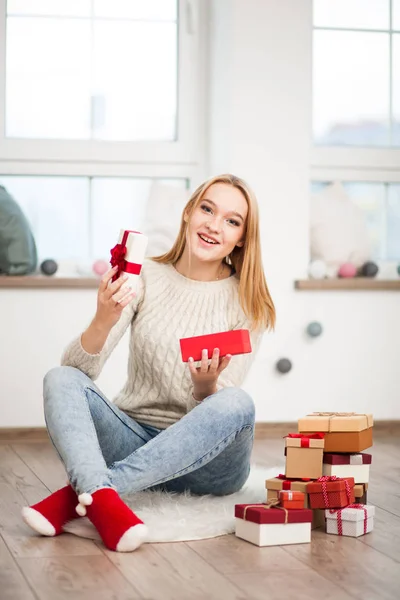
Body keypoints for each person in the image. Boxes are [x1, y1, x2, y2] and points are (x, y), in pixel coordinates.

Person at [22, 174, 276, 553]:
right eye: (207, 209)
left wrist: (205, 388)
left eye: (232, 220)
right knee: (59, 377)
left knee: (238, 402)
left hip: (208, 467)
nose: (214, 225)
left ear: (241, 238)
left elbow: (222, 413)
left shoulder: (247, 300)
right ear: (189, 213)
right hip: (132, 436)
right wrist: (103, 318)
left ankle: (84, 494)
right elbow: (80, 371)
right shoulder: (146, 278)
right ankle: (101, 497)